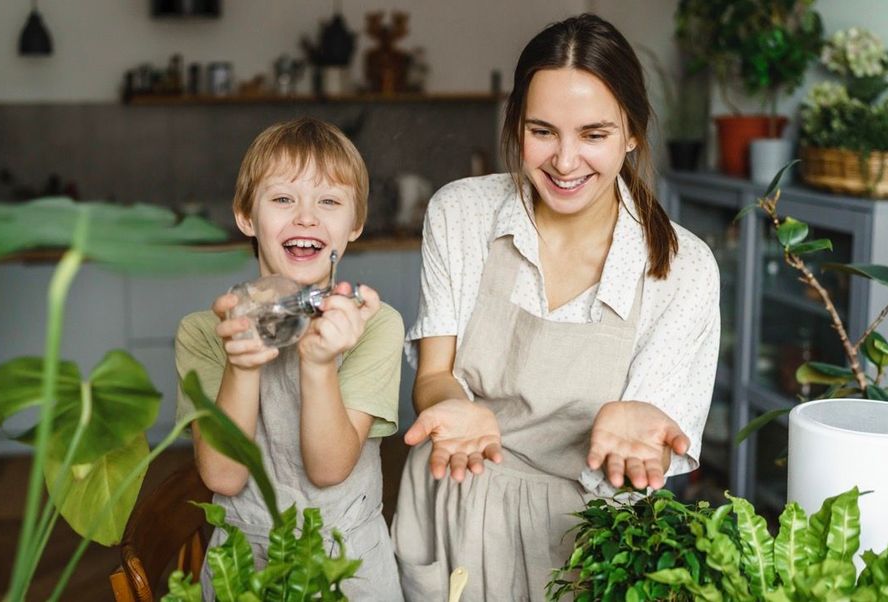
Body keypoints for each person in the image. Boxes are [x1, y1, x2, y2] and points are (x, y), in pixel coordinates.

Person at [391, 14, 720, 600]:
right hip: (457, 507)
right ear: (516, 124)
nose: (565, 162)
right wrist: (451, 406)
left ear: (633, 132)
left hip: (588, 537)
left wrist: (632, 430)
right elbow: (435, 375)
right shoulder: (461, 214)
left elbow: (645, 450)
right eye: (542, 131)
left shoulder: (684, 269)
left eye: (594, 135)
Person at [174, 117, 403, 601]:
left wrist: (319, 364)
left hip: (349, 563)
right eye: (283, 199)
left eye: (329, 201)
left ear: (355, 224)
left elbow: (328, 469)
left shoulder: (376, 326)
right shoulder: (203, 333)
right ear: (245, 216)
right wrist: (242, 365)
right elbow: (223, 476)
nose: (306, 218)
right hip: (242, 564)